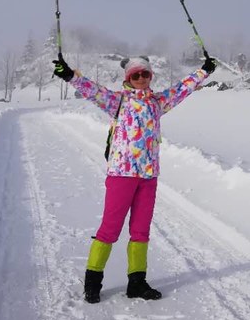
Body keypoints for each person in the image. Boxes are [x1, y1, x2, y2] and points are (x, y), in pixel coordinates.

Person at [53, 52, 216, 303]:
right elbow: (91, 90)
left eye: (145, 74)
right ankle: (93, 281)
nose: (141, 78)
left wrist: (204, 71)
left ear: (151, 76)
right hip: (122, 174)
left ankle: (137, 282)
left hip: (148, 175)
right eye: (136, 74)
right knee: (110, 229)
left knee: (141, 231)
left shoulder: (158, 102)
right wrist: (69, 75)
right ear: (128, 77)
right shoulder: (118, 101)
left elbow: (183, 88)